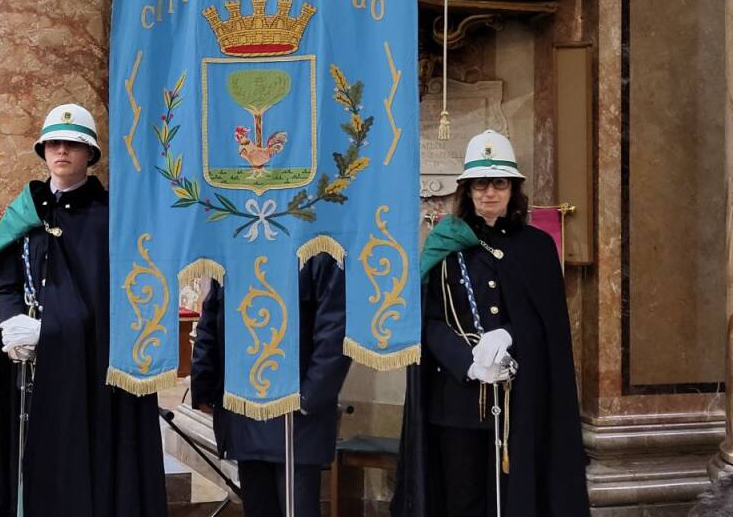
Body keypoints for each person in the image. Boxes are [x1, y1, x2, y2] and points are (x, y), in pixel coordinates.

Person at [0, 103, 168, 517]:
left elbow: (118, 305)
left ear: (90, 156)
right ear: (43, 151)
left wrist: (51, 331)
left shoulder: (110, 218)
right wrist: (9, 322)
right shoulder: (25, 209)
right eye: (55, 144)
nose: (62, 152)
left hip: (88, 378)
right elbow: (4, 275)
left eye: (74, 145)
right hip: (27, 369)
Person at [390, 129, 589, 517]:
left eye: (499, 183)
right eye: (480, 184)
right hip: (455, 401)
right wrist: (466, 361)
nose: (489, 193)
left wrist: (508, 335)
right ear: (467, 190)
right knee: (462, 499)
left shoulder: (537, 247)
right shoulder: (443, 244)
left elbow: (548, 325)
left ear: (513, 189)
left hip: (519, 399)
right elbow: (426, 320)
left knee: (514, 497)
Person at [191, 252, 351, 517]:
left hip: (296, 418)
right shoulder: (238, 247)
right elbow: (213, 316)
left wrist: (309, 398)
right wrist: (204, 385)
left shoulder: (319, 247)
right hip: (244, 409)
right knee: (258, 507)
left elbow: (336, 333)